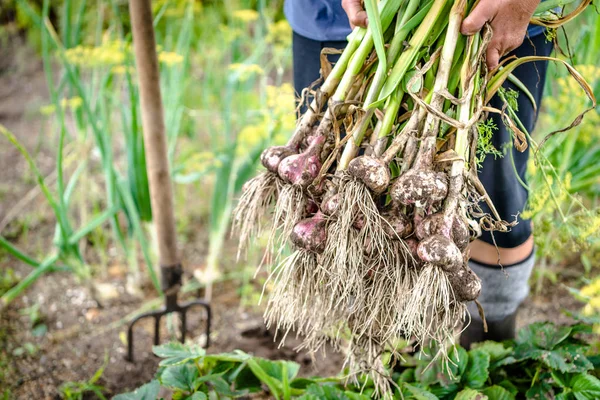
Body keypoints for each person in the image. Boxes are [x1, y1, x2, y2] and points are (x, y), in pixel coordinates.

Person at [283, 0, 553, 347]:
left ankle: (490, 350)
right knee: (337, 199)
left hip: (496, 17)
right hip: (339, 18)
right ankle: (380, 352)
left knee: (495, 203)